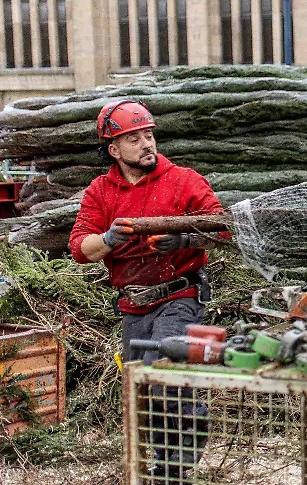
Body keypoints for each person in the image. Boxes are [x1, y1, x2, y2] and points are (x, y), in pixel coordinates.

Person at [69, 100, 226, 482]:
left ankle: (180, 465)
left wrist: (184, 238)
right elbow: (79, 249)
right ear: (114, 149)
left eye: (149, 135)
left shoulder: (184, 180)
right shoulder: (101, 192)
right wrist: (107, 239)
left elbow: (222, 228)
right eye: (134, 138)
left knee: (164, 378)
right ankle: (162, 466)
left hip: (179, 296)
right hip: (134, 304)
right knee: (140, 387)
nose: (146, 144)